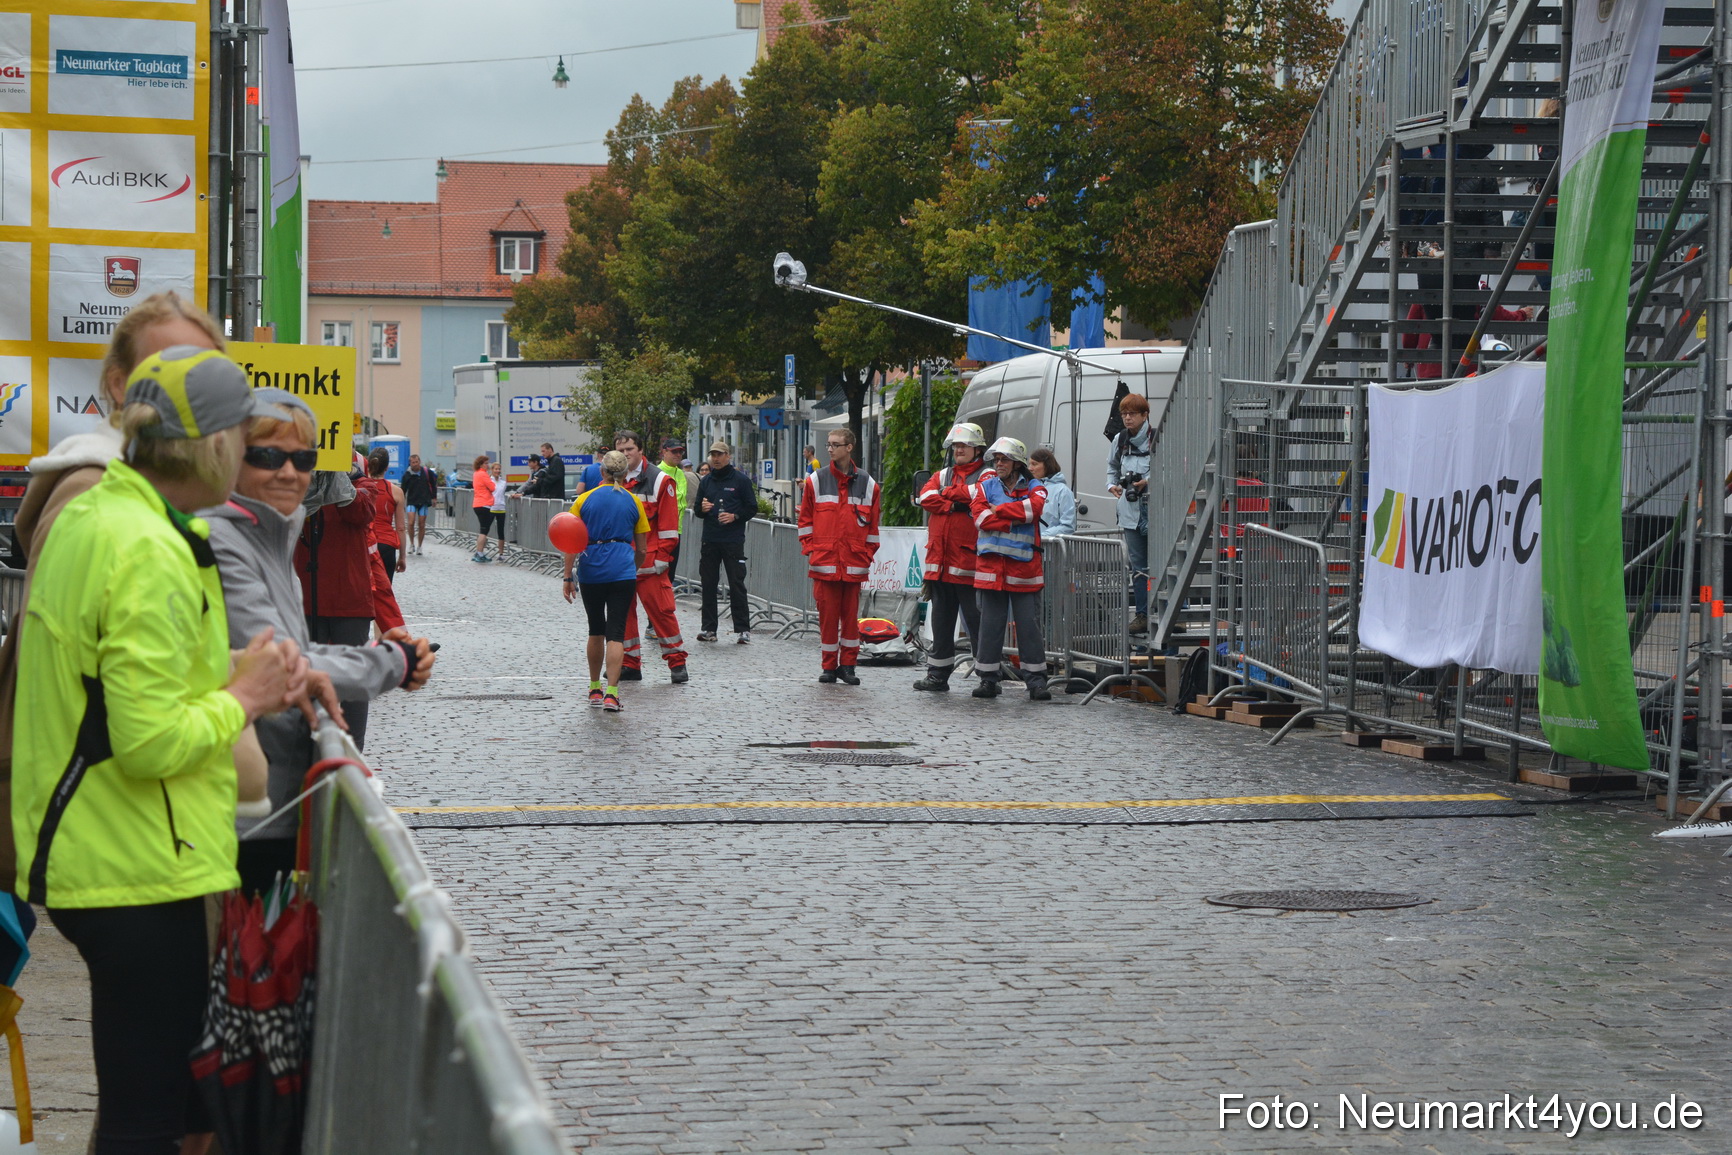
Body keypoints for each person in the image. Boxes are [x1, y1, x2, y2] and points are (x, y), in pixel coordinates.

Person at [15, 346, 305, 1155]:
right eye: (246, 442)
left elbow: (111, 686)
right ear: (212, 445)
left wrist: (226, 673)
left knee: (151, 1101)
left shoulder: (100, 513)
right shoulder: (146, 545)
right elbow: (147, 741)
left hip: (105, 849)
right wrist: (244, 698)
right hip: (138, 862)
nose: (252, 461)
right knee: (150, 1116)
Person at [0, 291, 224, 894]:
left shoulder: (158, 491)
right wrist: (243, 696)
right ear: (120, 385)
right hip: (112, 829)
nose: (187, 387)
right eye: (167, 368)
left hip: (141, 819)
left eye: (203, 371)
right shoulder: (95, 492)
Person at [204, 389, 436, 895]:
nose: (290, 472)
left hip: (271, 804)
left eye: (304, 459)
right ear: (228, 456)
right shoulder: (220, 539)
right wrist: (389, 664)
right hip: (234, 813)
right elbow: (276, 663)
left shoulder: (271, 532)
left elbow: (292, 653)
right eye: (268, 456)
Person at [561, 450, 649, 712]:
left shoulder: (584, 499)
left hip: (592, 569)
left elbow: (571, 541)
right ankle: (612, 693)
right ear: (625, 473)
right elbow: (642, 549)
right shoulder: (634, 501)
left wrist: (568, 576)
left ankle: (594, 688)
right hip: (622, 570)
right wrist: (630, 569)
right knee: (616, 633)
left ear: (602, 471)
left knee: (595, 629)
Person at [970, 436, 1050, 701]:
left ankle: (1036, 683)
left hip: (1023, 571)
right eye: (996, 459)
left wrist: (1000, 510)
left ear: (1017, 463)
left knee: (1028, 628)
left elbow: (1034, 510)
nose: (999, 463)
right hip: (992, 570)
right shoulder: (985, 486)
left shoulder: (1035, 486)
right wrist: (1013, 517)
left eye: (1004, 459)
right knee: (990, 628)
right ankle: (988, 680)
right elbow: (980, 518)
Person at [798, 427, 881, 685]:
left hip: (854, 563)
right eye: (828, 444)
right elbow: (805, 521)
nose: (830, 449)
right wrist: (811, 550)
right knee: (828, 619)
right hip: (825, 564)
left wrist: (866, 555)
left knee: (850, 621)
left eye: (835, 444)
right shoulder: (816, 480)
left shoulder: (868, 484)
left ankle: (848, 666)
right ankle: (828, 666)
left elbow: (873, 528)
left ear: (849, 447)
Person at [911, 422, 988, 693]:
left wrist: (946, 495)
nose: (958, 450)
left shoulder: (987, 474)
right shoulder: (943, 474)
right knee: (941, 624)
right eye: (955, 446)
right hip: (941, 565)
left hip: (969, 563)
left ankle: (988, 678)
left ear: (977, 449)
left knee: (978, 623)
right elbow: (925, 497)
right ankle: (937, 676)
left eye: (964, 445)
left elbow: (979, 494)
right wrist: (955, 504)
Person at [614, 430, 689, 683]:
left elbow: (669, 525)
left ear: (640, 450)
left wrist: (662, 558)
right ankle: (629, 664)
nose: (625, 454)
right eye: (621, 450)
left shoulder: (659, 480)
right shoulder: (612, 478)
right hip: (621, 562)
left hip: (650, 563)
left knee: (662, 613)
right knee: (623, 615)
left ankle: (677, 662)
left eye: (629, 449)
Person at [693, 441, 757, 643]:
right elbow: (697, 509)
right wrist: (702, 509)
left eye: (720, 454)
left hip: (732, 540)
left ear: (728, 456)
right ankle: (709, 629)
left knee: (736, 584)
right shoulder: (706, 481)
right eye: (713, 455)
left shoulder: (740, 480)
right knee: (708, 584)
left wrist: (735, 516)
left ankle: (743, 630)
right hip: (710, 539)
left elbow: (751, 507)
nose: (716, 458)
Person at [1106, 392, 1152, 634]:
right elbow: (1111, 467)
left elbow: (1173, 467)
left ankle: (1172, 613)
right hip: (1130, 512)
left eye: (1132, 413)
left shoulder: (1157, 438)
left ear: (1145, 415)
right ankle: (1143, 615)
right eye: (1124, 414)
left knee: (1164, 564)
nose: (1127, 418)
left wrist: (1147, 481)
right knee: (1139, 567)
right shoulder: (1120, 439)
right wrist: (1112, 485)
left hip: (1155, 511)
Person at [358, 448, 407, 582]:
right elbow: (400, 528)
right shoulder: (396, 491)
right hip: (385, 543)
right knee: (384, 588)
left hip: (363, 542)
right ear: (387, 467)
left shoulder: (359, 487)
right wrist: (402, 556)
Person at [1029, 447, 1076, 537]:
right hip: (1029, 544)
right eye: (1029, 464)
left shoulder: (1063, 491)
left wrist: (1041, 537)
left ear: (1047, 465)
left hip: (1048, 544)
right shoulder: (1028, 487)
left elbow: (1068, 526)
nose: (1030, 468)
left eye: (1034, 464)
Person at [401, 452, 438, 555]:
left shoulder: (427, 472)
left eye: (416, 462)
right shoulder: (407, 475)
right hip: (411, 501)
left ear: (419, 462)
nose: (415, 464)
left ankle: (419, 546)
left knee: (421, 524)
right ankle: (411, 544)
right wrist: (401, 502)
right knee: (410, 522)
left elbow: (433, 484)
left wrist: (434, 498)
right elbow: (403, 490)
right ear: (410, 463)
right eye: (413, 462)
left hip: (424, 501)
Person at [470, 454, 498, 562]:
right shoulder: (483, 474)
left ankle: (480, 552)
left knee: (483, 529)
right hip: (484, 503)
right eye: (486, 463)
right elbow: (493, 487)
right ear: (481, 464)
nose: (488, 465)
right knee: (484, 530)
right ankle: (479, 553)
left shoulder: (476, 473)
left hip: (478, 503)